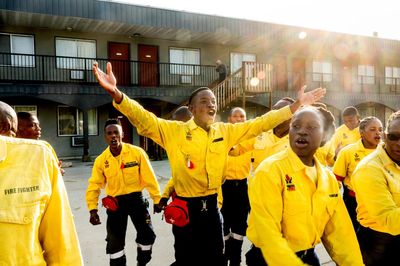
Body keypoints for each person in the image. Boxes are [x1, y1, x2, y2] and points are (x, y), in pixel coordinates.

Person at [93, 61, 325, 266]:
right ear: (192, 109)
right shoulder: (174, 131)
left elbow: (261, 123)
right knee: (186, 258)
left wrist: (295, 106)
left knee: (216, 257)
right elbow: (144, 117)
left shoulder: (225, 131)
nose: (212, 105)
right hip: (185, 208)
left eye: (214, 102)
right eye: (205, 101)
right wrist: (116, 93)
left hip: (213, 208)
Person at [246, 106, 363, 265]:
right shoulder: (270, 171)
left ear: (325, 137)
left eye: (312, 127)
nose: (301, 131)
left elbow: (340, 234)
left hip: (309, 256)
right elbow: (268, 235)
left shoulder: (328, 179)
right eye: (296, 126)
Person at [0, 101, 83, 265]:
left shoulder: (41, 155)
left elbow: (59, 234)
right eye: (33, 126)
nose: (39, 130)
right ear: (7, 126)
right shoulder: (39, 153)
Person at [86, 118, 161, 266]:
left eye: (116, 132)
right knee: (115, 244)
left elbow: (150, 178)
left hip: (137, 201)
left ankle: (142, 262)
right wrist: (92, 209)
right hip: (115, 205)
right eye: (109, 133)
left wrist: (157, 200)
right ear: (105, 137)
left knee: (147, 236)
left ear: (122, 134)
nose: (113, 136)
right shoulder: (101, 160)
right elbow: (94, 185)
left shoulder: (137, 153)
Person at [351, 111, 400, 265]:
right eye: (393, 137)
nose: (399, 142)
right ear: (385, 136)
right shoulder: (369, 169)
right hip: (380, 244)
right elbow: (389, 220)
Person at [333, 116, 383, 230]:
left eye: (380, 129)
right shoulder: (348, 152)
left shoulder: (385, 151)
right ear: (361, 132)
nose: (378, 133)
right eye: (373, 129)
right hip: (353, 202)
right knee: (354, 237)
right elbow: (336, 179)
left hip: (379, 202)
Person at [221, 107, 252, 266]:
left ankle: (236, 257)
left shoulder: (251, 140)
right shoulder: (222, 136)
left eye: (242, 116)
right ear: (229, 119)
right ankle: (225, 252)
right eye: (236, 116)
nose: (239, 119)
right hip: (223, 187)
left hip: (242, 187)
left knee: (240, 223)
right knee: (224, 222)